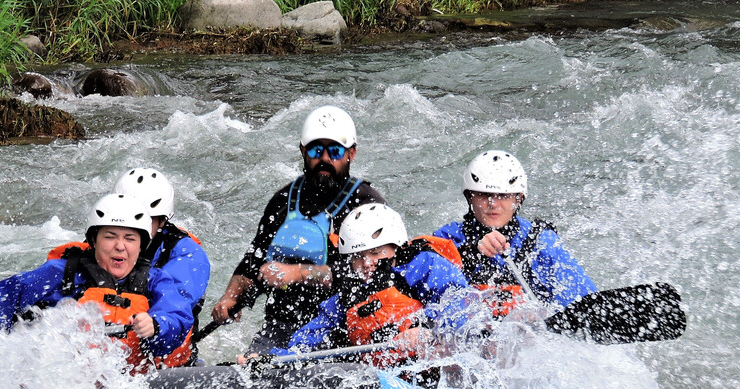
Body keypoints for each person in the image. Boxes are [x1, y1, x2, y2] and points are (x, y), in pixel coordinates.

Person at [210, 106, 386, 353]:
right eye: (316, 150)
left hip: (342, 327)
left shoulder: (367, 204)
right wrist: (230, 297)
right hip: (282, 325)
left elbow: (378, 273)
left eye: (334, 151)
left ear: (351, 154)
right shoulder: (283, 200)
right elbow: (254, 260)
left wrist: (300, 273)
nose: (324, 159)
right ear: (303, 151)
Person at [0, 193, 194, 372]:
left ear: (141, 245)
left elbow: (178, 318)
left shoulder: (156, 281)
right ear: (94, 240)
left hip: (130, 384)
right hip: (64, 381)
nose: (120, 246)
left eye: (130, 238)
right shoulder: (61, 273)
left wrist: (156, 326)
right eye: (110, 236)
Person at [248, 203, 471, 367]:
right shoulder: (347, 296)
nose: (366, 264)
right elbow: (306, 341)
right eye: (358, 257)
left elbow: (461, 301)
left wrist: (428, 329)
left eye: (375, 253)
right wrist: (271, 359)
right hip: (388, 381)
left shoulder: (423, 266)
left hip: (437, 367)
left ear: (395, 248)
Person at [432, 150, 596, 314]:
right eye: (483, 195)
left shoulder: (542, 242)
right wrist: (473, 253)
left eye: (503, 196)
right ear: (470, 197)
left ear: (518, 199)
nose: (493, 204)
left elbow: (582, 306)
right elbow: (424, 282)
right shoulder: (447, 238)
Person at [110, 167, 210, 365]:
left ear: (162, 220)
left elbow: (175, 309)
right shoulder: (103, 245)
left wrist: (155, 325)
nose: (133, 224)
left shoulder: (187, 254)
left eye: (143, 218)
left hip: (165, 364)